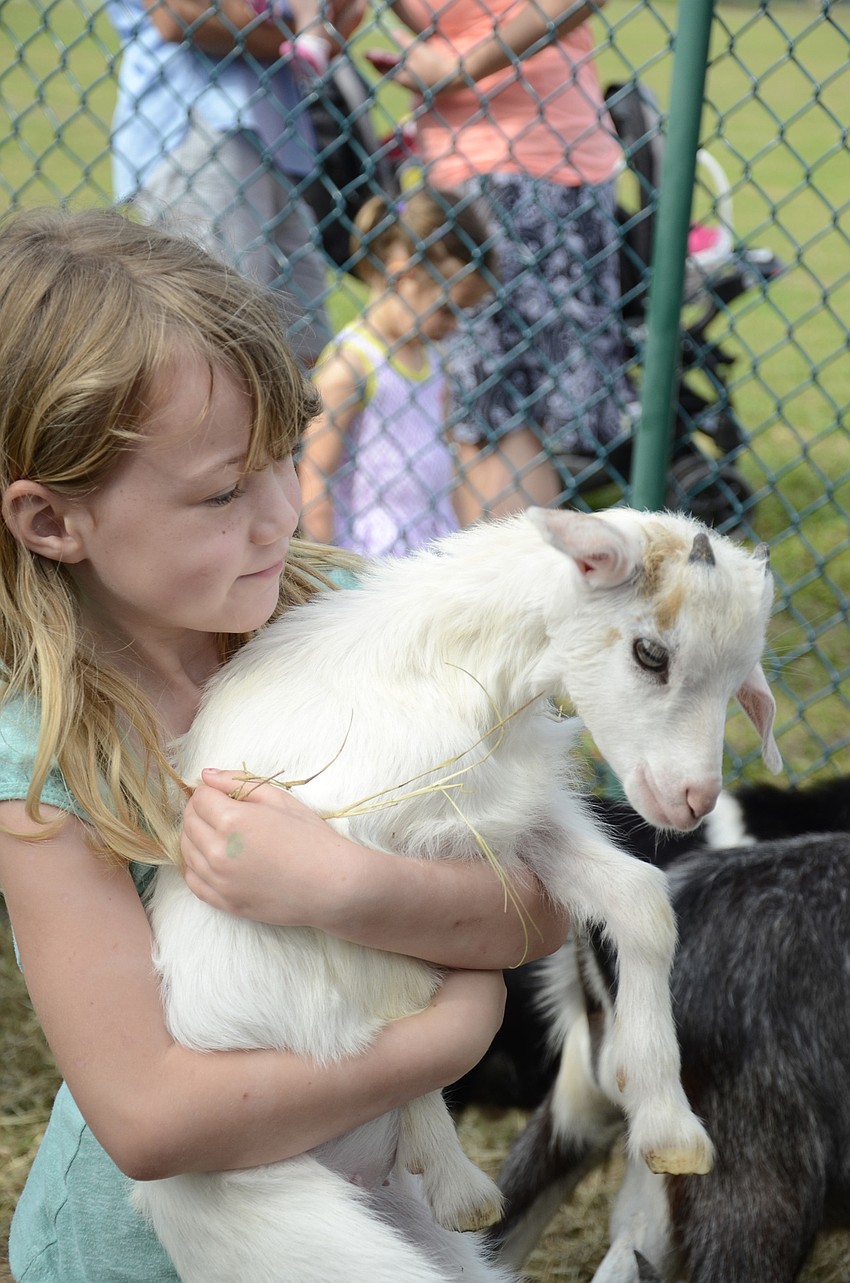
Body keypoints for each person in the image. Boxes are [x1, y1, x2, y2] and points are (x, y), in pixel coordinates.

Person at [0, 207, 567, 1282]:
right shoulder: (40, 764)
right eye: (221, 491)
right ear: (52, 520)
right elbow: (151, 1119)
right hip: (159, 1252)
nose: (279, 514)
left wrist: (346, 887)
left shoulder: (353, 616)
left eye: (284, 458)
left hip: (370, 1218)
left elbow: (534, 898)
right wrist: (443, 1040)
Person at [366, 0, 631, 521]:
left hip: (525, 166)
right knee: (484, 412)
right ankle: (505, 591)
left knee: (496, 417)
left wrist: (456, 68)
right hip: (473, 167)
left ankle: (513, 598)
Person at [104, 0, 365, 366]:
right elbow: (175, 15)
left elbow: (345, 18)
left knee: (303, 355)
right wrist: (306, 33)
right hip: (201, 124)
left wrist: (305, 30)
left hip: (282, 138)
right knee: (218, 340)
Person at [298, 187, 496, 556]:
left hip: (430, 547)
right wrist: (328, 566)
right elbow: (315, 473)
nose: (454, 326)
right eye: (447, 310)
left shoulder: (434, 360)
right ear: (402, 275)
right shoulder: (352, 365)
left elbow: (448, 458)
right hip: (368, 556)